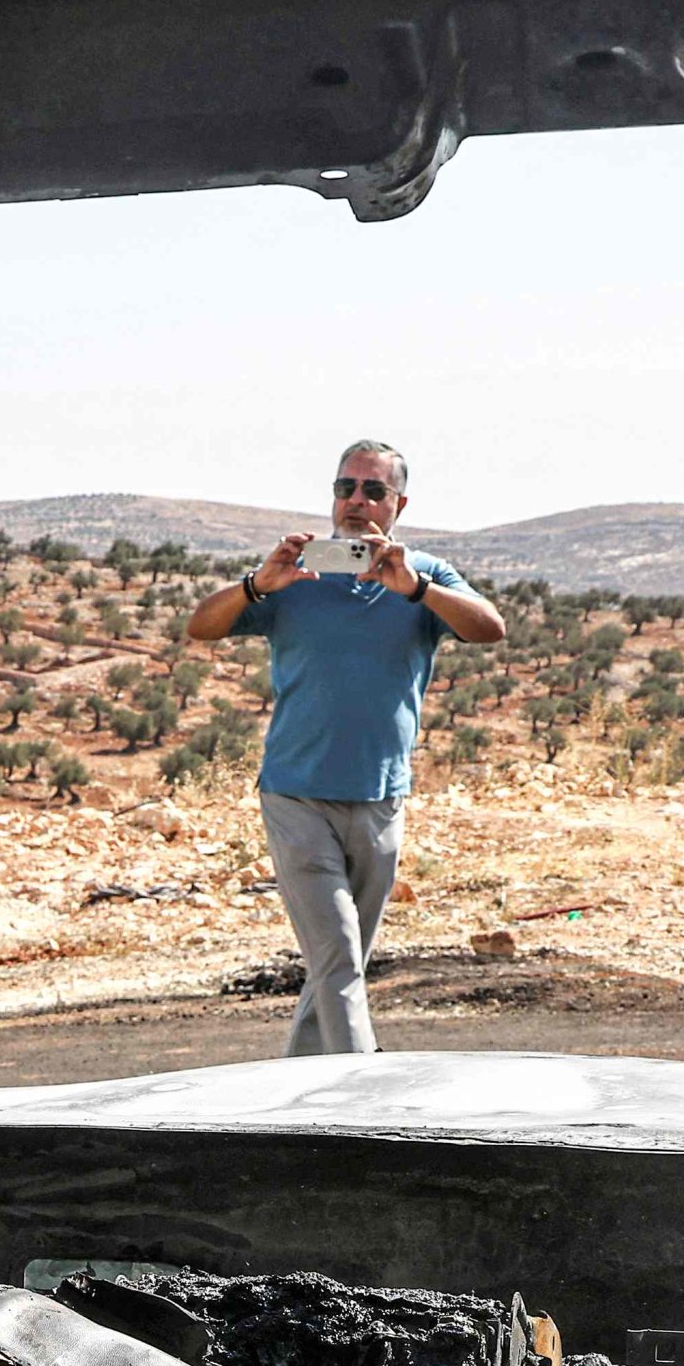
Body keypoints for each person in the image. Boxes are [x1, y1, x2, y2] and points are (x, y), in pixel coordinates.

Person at [184, 440, 506, 1055]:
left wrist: (416, 590)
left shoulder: (424, 574)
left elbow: (489, 627)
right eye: (345, 488)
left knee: (341, 963)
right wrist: (256, 585)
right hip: (297, 795)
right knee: (337, 959)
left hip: (381, 797)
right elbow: (201, 626)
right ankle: (364, 1091)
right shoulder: (294, 575)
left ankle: (300, 1090)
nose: (355, 501)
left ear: (398, 505)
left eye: (373, 490)